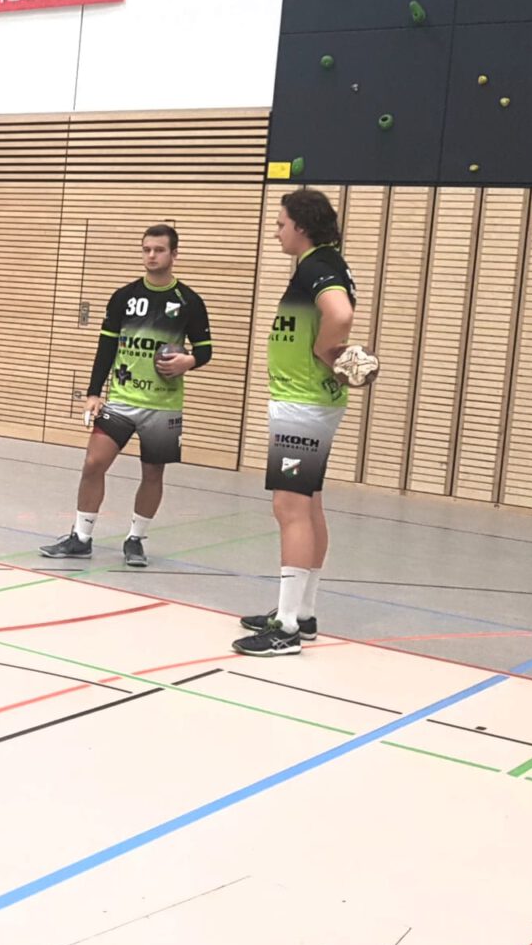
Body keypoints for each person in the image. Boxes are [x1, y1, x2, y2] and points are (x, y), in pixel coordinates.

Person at [39, 225, 214, 568]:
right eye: (146, 249)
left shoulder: (189, 301)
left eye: (159, 250)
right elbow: (105, 346)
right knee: (93, 464)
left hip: (162, 405)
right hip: (121, 399)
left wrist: (189, 361)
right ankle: (81, 538)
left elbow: (205, 350)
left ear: (174, 255)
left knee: (153, 474)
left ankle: (135, 539)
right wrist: (94, 392)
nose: (151, 255)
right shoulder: (124, 297)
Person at [235, 189, 359, 656]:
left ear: (302, 226)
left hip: (302, 406)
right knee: (308, 505)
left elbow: (340, 314)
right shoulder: (325, 263)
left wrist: (324, 351)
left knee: (289, 507)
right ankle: (303, 613)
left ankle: (285, 628)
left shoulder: (316, 265)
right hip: (312, 403)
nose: (276, 231)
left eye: (281, 223)